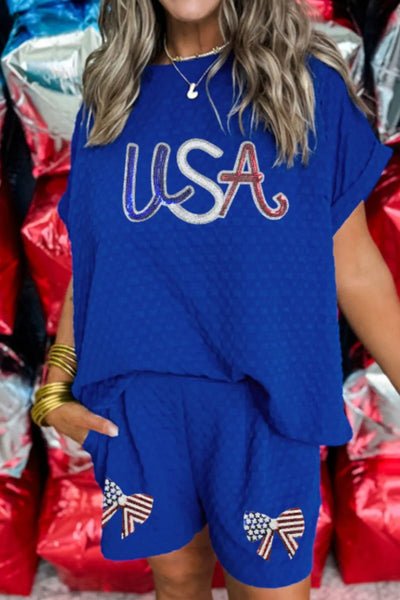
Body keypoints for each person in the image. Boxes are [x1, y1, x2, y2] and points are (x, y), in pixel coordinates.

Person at [30, 0, 398, 598]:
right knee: (176, 579)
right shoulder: (110, 94)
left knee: (270, 589)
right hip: (141, 408)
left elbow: (355, 266)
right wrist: (55, 385)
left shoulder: (307, 87)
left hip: (264, 409)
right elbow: (97, 261)